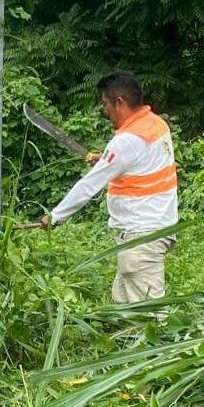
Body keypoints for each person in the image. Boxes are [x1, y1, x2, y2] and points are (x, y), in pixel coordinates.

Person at [41, 71, 178, 303]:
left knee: (153, 317)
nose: (105, 110)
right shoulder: (156, 124)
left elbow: (88, 186)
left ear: (119, 102)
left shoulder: (127, 141)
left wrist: (55, 216)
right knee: (122, 304)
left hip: (141, 237)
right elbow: (140, 163)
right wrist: (108, 161)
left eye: (105, 104)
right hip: (155, 228)